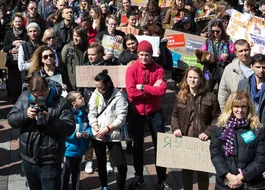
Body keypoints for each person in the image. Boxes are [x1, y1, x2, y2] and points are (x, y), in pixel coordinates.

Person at [7, 75, 75, 190]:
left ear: (47, 89)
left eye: (41, 96)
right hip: (28, 159)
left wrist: (51, 121)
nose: (38, 100)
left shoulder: (60, 102)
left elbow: (69, 128)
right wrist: (25, 114)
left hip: (49, 160)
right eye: (35, 96)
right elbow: (11, 119)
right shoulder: (25, 97)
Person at [125, 40, 170, 190]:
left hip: (154, 112)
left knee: (160, 146)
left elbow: (162, 91)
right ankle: (139, 176)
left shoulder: (158, 69)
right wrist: (152, 89)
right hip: (137, 112)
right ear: (137, 54)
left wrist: (143, 87)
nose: (144, 58)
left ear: (152, 55)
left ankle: (162, 178)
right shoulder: (132, 69)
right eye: (141, 55)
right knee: (137, 146)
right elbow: (131, 92)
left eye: (147, 55)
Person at [170, 66, 220, 190]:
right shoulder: (181, 96)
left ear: (201, 79)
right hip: (186, 138)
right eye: (190, 77)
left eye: (195, 78)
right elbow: (174, 115)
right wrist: (175, 128)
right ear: (186, 78)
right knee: (186, 171)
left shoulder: (210, 97)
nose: (192, 80)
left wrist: (208, 132)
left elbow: (218, 118)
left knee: (203, 173)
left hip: (202, 140)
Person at [210, 91, 265, 190]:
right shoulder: (221, 127)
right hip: (225, 183)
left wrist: (241, 177)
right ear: (230, 107)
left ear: (248, 108)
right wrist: (228, 176)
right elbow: (215, 152)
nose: (240, 110)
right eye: (236, 106)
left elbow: (262, 157)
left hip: (250, 184)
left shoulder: (257, 129)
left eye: (243, 107)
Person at [88, 69, 128, 190]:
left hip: (113, 135)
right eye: (96, 87)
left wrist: (107, 129)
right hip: (98, 134)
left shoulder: (119, 97)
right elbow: (91, 113)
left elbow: (121, 118)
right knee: (101, 162)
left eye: (100, 87)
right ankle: (104, 186)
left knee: (122, 165)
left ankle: (120, 187)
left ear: (108, 84)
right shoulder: (95, 94)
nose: (97, 89)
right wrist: (96, 128)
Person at [63, 91, 91, 190]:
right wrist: (74, 135)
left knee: (76, 171)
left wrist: (88, 133)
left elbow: (89, 126)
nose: (83, 98)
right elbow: (63, 131)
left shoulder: (84, 113)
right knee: (66, 171)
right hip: (69, 148)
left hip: (80, 147)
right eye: (80, 98)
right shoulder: (67, 115)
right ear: (73, 103)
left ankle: (76, 187)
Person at [236, 54, 265, 122]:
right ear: (251, 67)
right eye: (258, 67)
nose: (261, 70)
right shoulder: (243, 84)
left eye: (264, 67)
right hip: (247, 121)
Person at [217, 39, 252, 109]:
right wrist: (225, 113)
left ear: (250, 49)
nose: (244, 53)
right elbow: (223, 94)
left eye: (246, 50)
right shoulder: (229, 69)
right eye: (240, 51)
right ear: (236, 53)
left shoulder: (258, 66)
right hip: (237, 112)